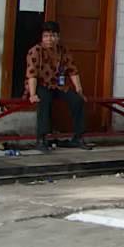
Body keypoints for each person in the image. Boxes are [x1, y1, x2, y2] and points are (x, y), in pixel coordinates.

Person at [25, 21, 92, 152]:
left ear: (58, 36)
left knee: (77, 100)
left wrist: (79, 90)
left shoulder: (63, 50)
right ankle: (41, 139)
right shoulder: (35, 51)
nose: (50, 39)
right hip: (41, 84)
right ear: (42, 37)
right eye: (46, 36)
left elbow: (73, 70)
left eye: (53, 36)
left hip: (58, 85)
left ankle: (78, 137)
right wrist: (32, 94)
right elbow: (31, 74)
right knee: (43, 100)